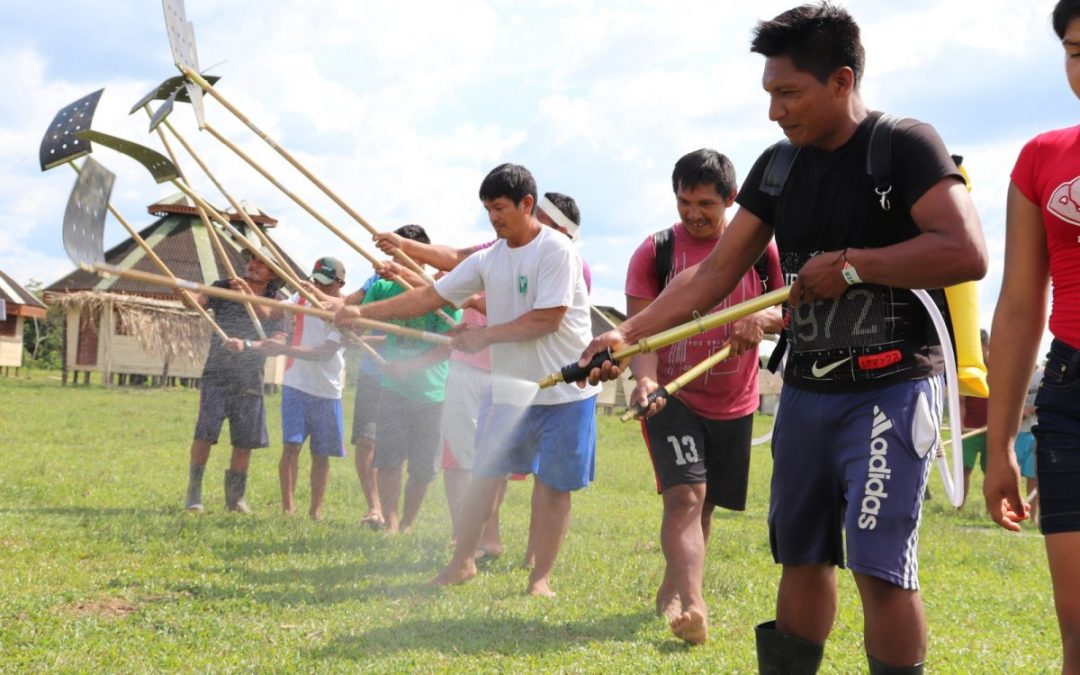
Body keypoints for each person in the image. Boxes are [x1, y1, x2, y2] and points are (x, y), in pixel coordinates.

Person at [579, 4, 986, 672]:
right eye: (769, 93)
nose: (775, 111)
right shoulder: (778, 167)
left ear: (842, 81)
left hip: (889, 390)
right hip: (806, 394)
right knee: (801, 555)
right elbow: (713, 271)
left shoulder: (905, 145)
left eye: (789, 93)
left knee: (880, 567)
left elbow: (965, 250)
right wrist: (625, 333)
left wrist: (856, 264)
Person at [338, 164, 598, 596]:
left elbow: (547, 319)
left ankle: (540, 579)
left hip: (566, 389)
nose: (494, 219)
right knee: (484, 473)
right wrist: (361, 313)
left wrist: (483, 336)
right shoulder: (489, 258)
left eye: (500, 209)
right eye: (488, 210)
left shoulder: (556, 251)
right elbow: (430, 295)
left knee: (553, 485)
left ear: (526, 204)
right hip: (513, 388)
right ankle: (461, 563)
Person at [624, 148, 783, 644]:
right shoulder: (656, 252)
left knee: (705, 503)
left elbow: (796, 310)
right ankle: (694, 606)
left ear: (732, 200)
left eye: (706, 205)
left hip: (735, 399)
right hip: (673, 396)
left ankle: (674, 588)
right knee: (685, 497)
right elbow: (639, 334)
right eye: (684, 202)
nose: (693, 214)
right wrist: (645, 380)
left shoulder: (762, 250)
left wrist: (762, 319)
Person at [984, 2, 1080, 671]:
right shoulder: (1041, 159)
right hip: (1071, 397)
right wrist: (998, 447)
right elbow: (1019, 308)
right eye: (1075, 52)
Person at [360, 225, 461, 534]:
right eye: (396, 258)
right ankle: (390, 520)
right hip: (393, 389)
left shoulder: (443, 295)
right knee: (389, 459)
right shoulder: (382, 289)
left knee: (423, 469)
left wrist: (412, 366)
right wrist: (341, 315)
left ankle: (407, 523)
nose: (401, 265)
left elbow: (448, 345)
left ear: (423, 260)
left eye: (408, 258)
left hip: (432, 394)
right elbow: (360, 316)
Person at [182, 250, 286, 514]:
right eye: (251, 261)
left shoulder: (279, 301)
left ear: (273, 273)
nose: (253, 266)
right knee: (204, 434)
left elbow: (275, 340)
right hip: (217, 374)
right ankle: (193, 493)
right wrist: (183, 292)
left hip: (250, 378)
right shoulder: (223, 287)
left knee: (244, 441)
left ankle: (235, 498)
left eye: (261, 264)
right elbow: (196, 303)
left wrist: (247, 299)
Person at [260, 257, 347, 521]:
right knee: (291, 446)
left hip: (327, 391)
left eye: (324, 284)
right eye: (314, 281)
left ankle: (315, 510)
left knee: (321, 454)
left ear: (340, 283)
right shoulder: (299, 299)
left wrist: (284, 350)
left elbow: (324, 353)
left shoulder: (345, 312)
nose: (316, 288)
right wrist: (248, 294)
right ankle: (288, 509)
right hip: (295, 384)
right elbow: (271, 311)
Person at [958, 329, 991, 508]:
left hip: (992, 430)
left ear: (987, 345)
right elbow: (962, 401)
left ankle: (992, 510)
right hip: (970, 429)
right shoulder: (970, 370)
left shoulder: (998, 369)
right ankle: (959, 506)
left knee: (991, 472)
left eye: (981, 346)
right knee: (964, 469)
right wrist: (961, 424)